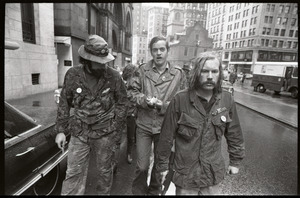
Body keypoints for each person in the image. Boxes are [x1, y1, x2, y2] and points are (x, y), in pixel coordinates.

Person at [156, 51, 245, 195]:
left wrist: (235, 161)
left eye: (214, 71)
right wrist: (162, 166)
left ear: (220, 73)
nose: (210, 76)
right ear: (197, 73)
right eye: (205, 71)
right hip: (186, 175)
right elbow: (166, 137)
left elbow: (234, 133)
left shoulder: (227, 100)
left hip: (211, 174)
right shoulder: (180, 100)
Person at [54, 35, 127, 195]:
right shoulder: (73, 74)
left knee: (104, 174)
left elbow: (123, 103)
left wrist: (116, 132)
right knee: (73, 173)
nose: (103, 65)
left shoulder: (114, 77)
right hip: (79, 133)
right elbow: (65, 101)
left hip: (105, 134)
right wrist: (60, 130)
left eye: (104, 60)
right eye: (98, 61)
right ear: (86, 59)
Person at [127, 36, 187, 195]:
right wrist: (145, 100)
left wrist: (164, 105)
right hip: (144, 125)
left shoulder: (178, 74)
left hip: (166, 127)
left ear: (168, 51)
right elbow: (131, 93)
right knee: (142, 166)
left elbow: (184, 102)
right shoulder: (141, 70)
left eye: (162, 49)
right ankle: (139, 192)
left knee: (161, 166)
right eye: (155, 50)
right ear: (151, 52)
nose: (158, 53)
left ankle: (154, 192)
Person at [121, 63, 139, 164]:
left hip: (132, 112)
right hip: (125, 112)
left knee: (131, 135)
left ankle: (129, 153)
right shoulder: (123, 83)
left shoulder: (135, 83)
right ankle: (127, 154)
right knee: (127, 136)